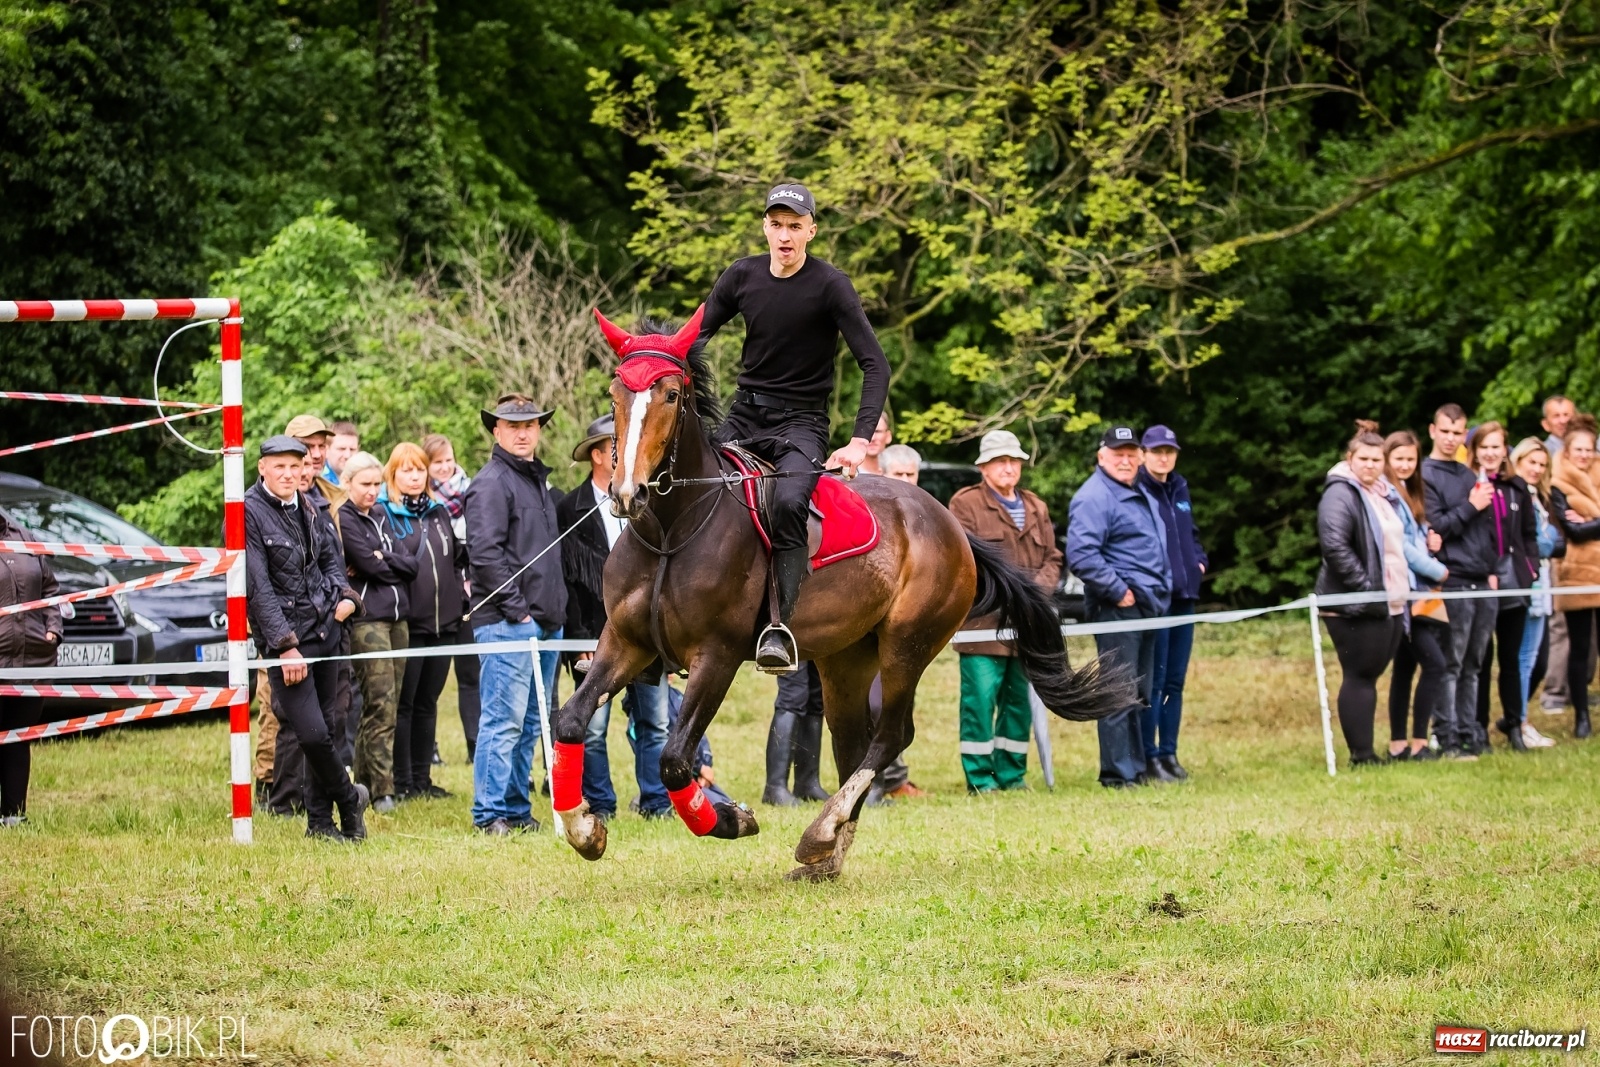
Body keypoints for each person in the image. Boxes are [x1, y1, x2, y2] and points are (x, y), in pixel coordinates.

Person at [698, 182, 890, 671]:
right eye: (777, 225)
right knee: (696, 486)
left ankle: (778, 629)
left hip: (801, 423)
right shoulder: (740, 275)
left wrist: (859, 442)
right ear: (765, 227)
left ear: (811, 231)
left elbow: (875, 365)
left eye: (795, 226)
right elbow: (691, 339)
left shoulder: (831, 285)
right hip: (744, 414)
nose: (785, 236)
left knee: (787, 502)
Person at [243, 436, 368, 842]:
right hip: (289, 644)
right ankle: (350, 798)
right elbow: (257, 588)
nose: (288, 474)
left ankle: (321, 823)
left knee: (328, 731)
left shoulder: (312, 506)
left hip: (328, 629)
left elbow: (332, 562)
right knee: (310, 733)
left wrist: (345, 600)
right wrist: (285, 645)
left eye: (295, 466)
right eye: (279, 466)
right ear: (262, 468)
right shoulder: (247, 511)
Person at [556, 414, 672, 821]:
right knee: (592, 728)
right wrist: (579, 638)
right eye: (617, 446)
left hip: (648, 635)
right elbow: (567, 581)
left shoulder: (652, 499)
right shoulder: (570, 507)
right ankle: (601, 803)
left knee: (655, 722)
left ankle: (657, 802)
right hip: (593, 636)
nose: (627, 451)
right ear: (596, 455)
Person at [465, 394, 567, 835]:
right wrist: (518, 612)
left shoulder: (536, 482)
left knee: (529, 723)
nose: (523, 433)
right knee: (502, 721)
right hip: (508, 622)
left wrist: (549, 614)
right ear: (496, 430)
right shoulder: (490, 483)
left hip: (545, 621)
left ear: (539, 429)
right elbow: (485, 555)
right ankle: (490, 815)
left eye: (530, 425)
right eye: (513, 425)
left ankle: (516, 809)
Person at [950, 429, 1064, 792]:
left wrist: (1034, 595)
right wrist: (1014, 594)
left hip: (1028, 626)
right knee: (980, 704)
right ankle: (980, 779)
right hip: (982, 625)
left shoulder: (1036, 506)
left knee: (1018, 704)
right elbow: (966, 561)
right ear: (983, 467)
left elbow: (1053, 558)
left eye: (1014, 461)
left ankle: (1012, 775)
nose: (1008, 467)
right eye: (1000, 461)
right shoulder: (965, 505)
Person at [1067, 425, 1172, 788]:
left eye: (1131, 454)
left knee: (1139, 691)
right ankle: (1116, 774)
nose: (1125, 460)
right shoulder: (1095, 497)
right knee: (1117, 690)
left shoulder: (1137, 489)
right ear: (1102, 457)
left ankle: (1135, 769)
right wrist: (1118, 590)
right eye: (1118, 454)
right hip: (1118, 608)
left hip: (1147, 605)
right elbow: (1081, 554)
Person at [1316, 422, 1411, 766]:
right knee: (1359, 674)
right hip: (1354, 603)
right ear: (1350, 458)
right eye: (1364, 459)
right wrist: (1368, 588)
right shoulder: (1340, 493)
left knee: (1369, 675)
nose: (1370, 465)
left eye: (1376, 459)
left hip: (1388, 599)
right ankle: (1362, 755)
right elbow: (1335, 546)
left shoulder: (1382, 493)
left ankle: (1367, 750)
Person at [337, 451, 418, 814]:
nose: (372, 491)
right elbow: (368, 565)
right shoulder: (344, 518)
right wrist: (381, 561)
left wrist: (384, 558)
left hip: (399, 619)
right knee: (379, 703)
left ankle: (364, 784)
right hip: (368, 621)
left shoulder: (383, 514)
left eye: (376, 484)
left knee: (390, 703)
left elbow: (411, 565)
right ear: (347, 483)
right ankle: (383, 789)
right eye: (365, 484)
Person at [385, 442, 464, 800]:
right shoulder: (386, 515)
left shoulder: (439, 513)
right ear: (393, 474)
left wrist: (460, 599)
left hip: (444, 624)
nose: (415, 476)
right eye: (407, 470)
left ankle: (422, 779)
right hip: (409, 624)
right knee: (405, 703)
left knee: (428, 702)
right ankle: (401, 781)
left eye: (419, 469)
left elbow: (456, 560)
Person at [1422, 403, 1499, 759]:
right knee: (1450, 664)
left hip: (1482, 580)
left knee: (1474, 665)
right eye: (1446, 431)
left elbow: (1486, 530)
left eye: (1458, 433)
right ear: (1433, 431)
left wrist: (1492, 569)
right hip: (1452, 580)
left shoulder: (1469, 474)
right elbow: (1437, 527)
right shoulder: (1425, 474)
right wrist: (1471, 506)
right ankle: (1446, 735)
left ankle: (1470, 732)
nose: (1451, 439)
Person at [1134, 425, 1206, 781]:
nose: (1164, 458)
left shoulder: (1180, 487)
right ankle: (1150, 757)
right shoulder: (1136, 489)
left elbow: (1190, 533)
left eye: (1169, 451)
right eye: (1157, 451)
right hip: (1157, 598)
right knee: (1156, 681)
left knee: (1176, 680)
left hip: (1185, 596)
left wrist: (1199, 560)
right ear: (1144, 454)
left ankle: (1169, 753)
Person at [1465, 422, 1538, 752]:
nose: (1490, 453)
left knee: (1511, 660)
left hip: (1514, 582)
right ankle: (1478, 728)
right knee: (1480, 660)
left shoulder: (1517, 487)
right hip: (1480, 582)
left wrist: (1530, 569)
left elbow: (1528, 534)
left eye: (1496, 446)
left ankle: (1514, 725)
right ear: (1475, 450)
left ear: (1505, 449)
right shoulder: (1467, 484)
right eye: (1484, 447)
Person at [1382, 430, 1450, 761]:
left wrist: (1431, 542)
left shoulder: (1411, 491)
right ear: (1387, 459)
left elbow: (1416, 539)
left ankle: (1399, 744)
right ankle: (1419, 743)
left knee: (1405, 668)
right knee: (1435, 665)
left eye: (1411, 459)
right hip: (1407, 592)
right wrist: (1437, 570)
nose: (1405, 465)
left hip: (1418, 591)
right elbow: (1401, 547)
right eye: (1399, 459)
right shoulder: (1387, 494)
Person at [865, 441, 924, 801]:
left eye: (910, 474)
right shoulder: (866, 511)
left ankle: (893, 780)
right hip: (863, 629)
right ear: (883, 474)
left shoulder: (929, 518)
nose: (905, 479)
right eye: (898, 473)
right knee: (874, 705)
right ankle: (873, 783)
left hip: (904, 631)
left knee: (899, 705)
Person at [0, 513, 63, 825]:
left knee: (18, 736)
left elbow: (50, 590)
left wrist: (53, 628)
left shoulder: (22, 536)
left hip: (32, 660)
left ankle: (13, 816)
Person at [423, 433, 480, 760]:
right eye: (437, 463)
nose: (445, 468)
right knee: (431, 679)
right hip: (436, 599)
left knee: (471, 675)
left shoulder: (472, 492)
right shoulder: (422, 500)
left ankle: (474, 744)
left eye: (449, 460)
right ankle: (428, 747)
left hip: (469, 596)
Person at [1509, 438, 1563, 748]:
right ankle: (1520, 722)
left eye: (1542, 464)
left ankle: (1517, 718)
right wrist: (1550, 536)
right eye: (1532, 462)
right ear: (1518, 461)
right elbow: (1542, 542)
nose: (1537, 469)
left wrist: (1549, 537)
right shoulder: (1517, 496)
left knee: (1536, 660)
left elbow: (1550, 540)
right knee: (1526, 658)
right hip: (1525, 582)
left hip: (1541, 582)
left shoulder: (1538, 497)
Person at [1551, 415, 1600, 740]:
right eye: (1578, 449)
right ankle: (1582, 717)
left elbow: (1585, 528)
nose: (1584, 455)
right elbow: (1572, 530)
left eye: (1588, 449)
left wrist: (1590, 521)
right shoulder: (1557, 482)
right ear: (1567, 451)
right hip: (1576, 572)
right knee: (1579, 647)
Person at [1541, 397, 1580, 712]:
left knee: (1587, 625)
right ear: (1546, 422)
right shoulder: (1543, 456)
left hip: (1588, 549)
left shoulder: (1586, 451)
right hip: (1559, 548)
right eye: (1557, 415)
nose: (1563, 420)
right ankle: (1554, 691)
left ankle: (1577, 686)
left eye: (1568, 414)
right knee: (1560, 623)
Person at [764, 663, 834, 805]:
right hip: (792, 647)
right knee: (792, 695)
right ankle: (775, 787)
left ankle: (807, 784)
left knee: (816, 697)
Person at [324, 420, 359, 486]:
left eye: (352, 449)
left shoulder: (365, 477)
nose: (347, 455)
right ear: (326, 451)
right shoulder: (319, 480)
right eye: (342, 449)